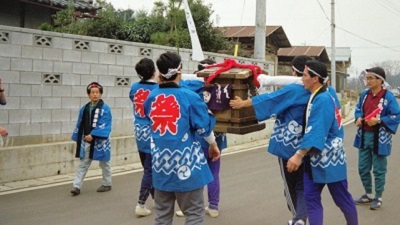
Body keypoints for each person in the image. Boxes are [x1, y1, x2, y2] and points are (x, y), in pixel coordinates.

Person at [230, 55, 311, 225]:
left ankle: (299, 219)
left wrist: (243, 104)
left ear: (295, 71)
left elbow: (271, 99)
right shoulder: (321, 91)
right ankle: (301, 217)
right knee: (303, 187)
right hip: (309, 145)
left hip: (289, 146)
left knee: (290, 188)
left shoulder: (294, 90)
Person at [143, 52, 220, 225]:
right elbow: (204, 127)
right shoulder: (190, 97)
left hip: (161, 166)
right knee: (194, 214)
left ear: (159, 73)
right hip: (187, 166)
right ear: (180, 71)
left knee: (162, 216)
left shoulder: (151, 98)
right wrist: (213, 145)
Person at [286, 60, 358, 225]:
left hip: (330, 159)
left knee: (342, 199)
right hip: (314, 159)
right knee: (310, 198)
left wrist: (299, 154)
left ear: (315, 79)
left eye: (304, 75)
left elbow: (317, 130)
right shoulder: (319, 94)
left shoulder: (324, 98)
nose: (301, 78)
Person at [176, 59, 228, 218]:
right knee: (214, 172)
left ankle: (189, 207)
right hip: (217, 136)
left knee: (192, 173)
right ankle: (213, 206)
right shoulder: (223, 88)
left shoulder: (192, 87)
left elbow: (178, 83)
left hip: (197, 138)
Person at [353, 67, 400, 210]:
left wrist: (379, 121)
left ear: (380, 80)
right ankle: (368, 194)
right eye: (366, 78)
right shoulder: (364, 95)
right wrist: (358, 117)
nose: (367, 81)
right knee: (362, 167)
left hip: (380, 138)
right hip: (364, 136)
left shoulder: (388, 97)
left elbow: (396, 115)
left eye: (370, 78)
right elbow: (358, 109)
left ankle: (378, 196)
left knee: (379, 169)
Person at [70, 82, 113, 196]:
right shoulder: (84, 108)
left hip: (101, 141)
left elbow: (105, 123)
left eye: (97, 92)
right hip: (87, 140)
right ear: (88, 95)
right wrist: (79, 136)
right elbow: (80, 123)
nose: (95, 95)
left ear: (101, 94)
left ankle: (107, 183)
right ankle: (76, 186)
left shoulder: (105, 108)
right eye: (92, 92)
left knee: (104, 163)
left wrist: (93, 134)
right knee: (83, 163)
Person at [129, 58, 157, 217]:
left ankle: (156, 198)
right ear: (154, 72)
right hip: (153, 132)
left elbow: (133, 100)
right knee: (150, 169)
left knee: (148, 167)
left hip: (139, 131)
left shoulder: (134, 87)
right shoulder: (158, 89)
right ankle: (140, 203)